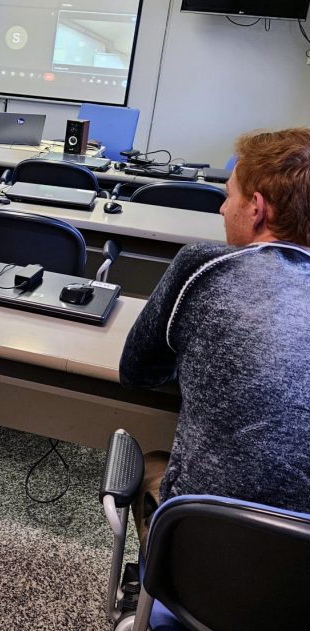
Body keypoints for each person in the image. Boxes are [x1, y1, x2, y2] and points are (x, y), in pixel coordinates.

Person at [120, 127, 310, 548]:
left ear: (257, 209)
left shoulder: (204, 266)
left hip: (207, 559)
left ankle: (150, 594)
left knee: (152, 462)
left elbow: (137, 372)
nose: (224, 209)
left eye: (229, 195)